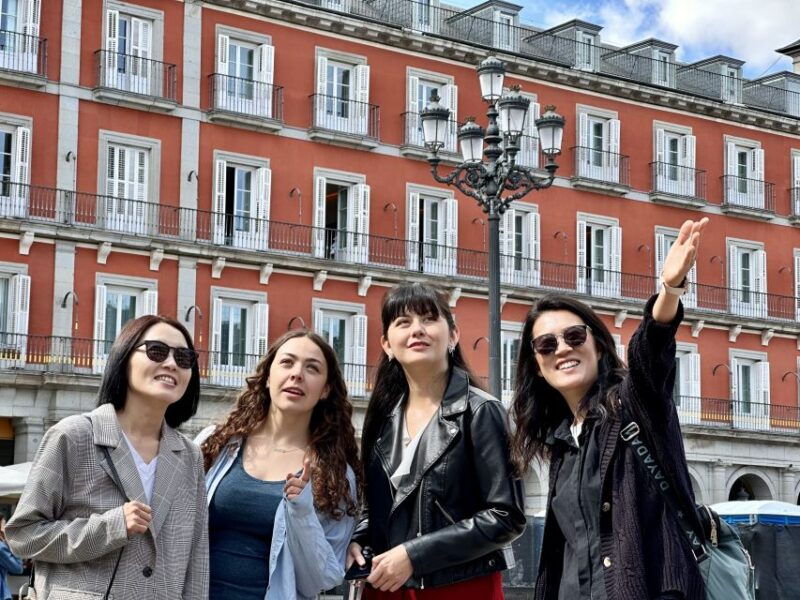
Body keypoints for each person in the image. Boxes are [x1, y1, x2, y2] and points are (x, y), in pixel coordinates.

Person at [510, 218, 709, 600]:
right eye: (546, 346)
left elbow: (651, 355)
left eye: (574, 336)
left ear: (598, 345)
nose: (563, 349)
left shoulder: (634, 406)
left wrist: (669, 291)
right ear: (537, 364)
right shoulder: (561, 444)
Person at [6, 315, 209, 599]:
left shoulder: (189, 456)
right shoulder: (73, 436)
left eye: (185, 357)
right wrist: (110, 527)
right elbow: (23, 534)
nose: (172, 363)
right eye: (157, 351)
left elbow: (196, 561)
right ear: (124, 357)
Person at [349, 282, 526, 599]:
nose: (417, 329)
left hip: (460, 588)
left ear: (453, 336)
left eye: (429, 319)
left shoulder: (482, 412)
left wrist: (414, 555)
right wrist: (358, 539)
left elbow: (506, 516)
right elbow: (374, 506)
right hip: (386, 587)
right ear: (387, 344)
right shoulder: (383, 419)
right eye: (403, 322)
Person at [197, 329, 360, 600]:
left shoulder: (336, 475)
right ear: (268, 376)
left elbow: (321, 579)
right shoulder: (217, 445)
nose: (297, 374)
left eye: (312, 368)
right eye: (287, 362)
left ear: (325, 390)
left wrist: (302, 512)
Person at [0, 516, 23, 600]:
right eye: (4, 524)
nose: (6, 527)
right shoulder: (1, 548)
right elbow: (18, 568)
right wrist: (8, 541)